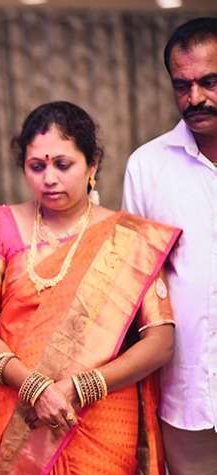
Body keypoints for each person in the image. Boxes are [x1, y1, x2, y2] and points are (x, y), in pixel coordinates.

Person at [0, 101, 179, 474]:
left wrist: (83, 386)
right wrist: (34, 388)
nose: (49, 178)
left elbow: (161, 341)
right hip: (16, 411)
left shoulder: (128, 238)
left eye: (63, 165)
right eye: (36, 166)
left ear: (92, 165)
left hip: (103, 414)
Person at [122, 17, 217, 475]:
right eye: (182, 85)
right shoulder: (148, 167)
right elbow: (133, 284)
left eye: (209, 82)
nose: (194, 97)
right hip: (186, 392)